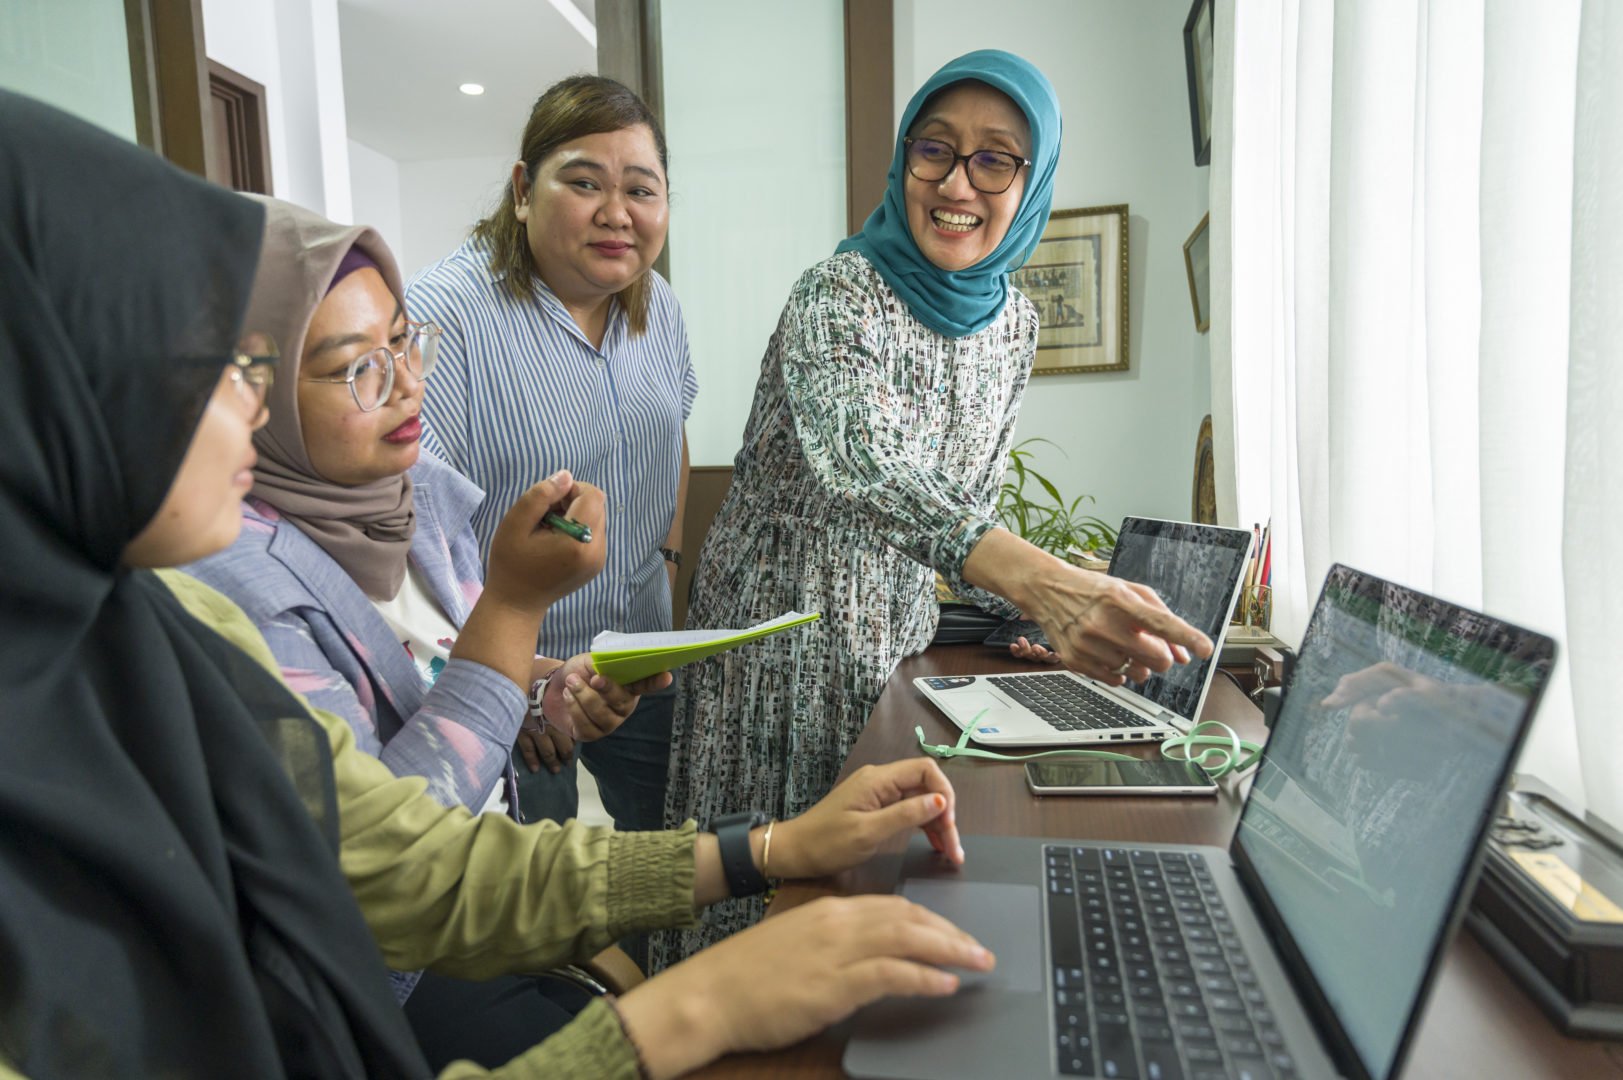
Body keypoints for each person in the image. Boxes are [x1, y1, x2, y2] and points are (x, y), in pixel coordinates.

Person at [0, 90, 993, 1080]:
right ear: (51, 396)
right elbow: (411, 850)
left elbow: (408, 862)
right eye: (213, 368)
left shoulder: (152, 623)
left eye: (398, 348)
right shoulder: (222, 591)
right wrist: (687, 1007)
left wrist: (764, 851)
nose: (245, 410)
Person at [658, 50, 1214, 965]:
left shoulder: (1016, 324)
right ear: (903, 160)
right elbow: (862, 463)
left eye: (995, 158)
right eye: (935, 151)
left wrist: (1033, 605)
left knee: (864, 887)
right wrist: (1045, 585)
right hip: (773, 645)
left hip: (895, 653)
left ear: (1030, 183)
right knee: (755, 900)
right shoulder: (836, 293)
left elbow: (969, 499)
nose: (958, 183)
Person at [181, 196, 669, 1065]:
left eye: (405, 342)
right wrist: (513, 607)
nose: (408, 384)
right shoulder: (231, 577)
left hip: (488, 896)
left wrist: (544, 695)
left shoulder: (416, 493)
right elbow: (388, 847)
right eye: (355, 367)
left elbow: (435, 679)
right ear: (249, 391)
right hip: (387, 973)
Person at [407, 75, 691, 831]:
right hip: (513, 671)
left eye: (641, 189)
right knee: (542, 905)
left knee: (667, 862)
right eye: (584, 182)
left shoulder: (656, 306)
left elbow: (674, 430)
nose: (616, 213)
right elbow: (408, 519)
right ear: (523, 189)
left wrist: (664, 556)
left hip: (637, 651)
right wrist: (502, 672)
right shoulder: (444, 313)